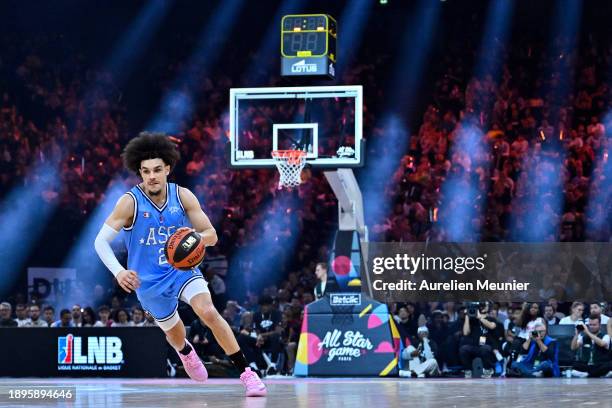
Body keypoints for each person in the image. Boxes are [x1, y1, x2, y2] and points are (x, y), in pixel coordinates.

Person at [94, 132, 265, 396]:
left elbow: (211, 234)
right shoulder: (129, 202)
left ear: (168, 169)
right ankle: (185, 351)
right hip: (148, 283)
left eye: (157, 170)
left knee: (208, 311)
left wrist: (195, 238)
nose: (151, 176)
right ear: (140, 172)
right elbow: (100, 242)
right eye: (145, 171)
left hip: (182, 270)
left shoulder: (182, 196)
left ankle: (247, 373)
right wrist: (119, 271)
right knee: (174, 334)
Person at [459, 303, 498, 378]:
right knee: (463, 349)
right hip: (474, 346)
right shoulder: (472, 320)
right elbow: (465, 333)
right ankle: (468, 371)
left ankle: (488, 370)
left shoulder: (491, 319)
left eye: (484, 305)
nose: (482, 306)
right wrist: (467, 316)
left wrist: (480, 318)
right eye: (481, 305)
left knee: (485, 348)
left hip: (487, 346)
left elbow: (492, 326)